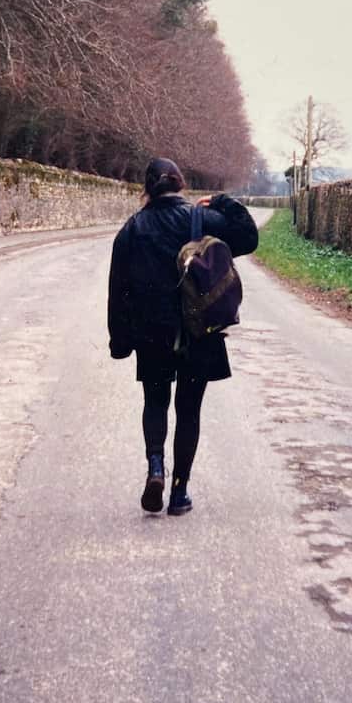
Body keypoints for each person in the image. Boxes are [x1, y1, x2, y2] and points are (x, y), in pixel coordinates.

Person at [107, 157, 259, 515]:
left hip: (152, 334)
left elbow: (118, 291)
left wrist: (120, 342)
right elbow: (248, 237)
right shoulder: (202, 220)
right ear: (180, 184)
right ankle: (179, 492)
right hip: (198, 333)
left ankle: (156, 466)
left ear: (146, 189)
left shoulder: (132, 228)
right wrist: (221, 201)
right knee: (189, 410)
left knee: (155, 403)